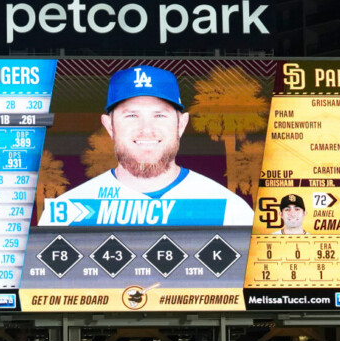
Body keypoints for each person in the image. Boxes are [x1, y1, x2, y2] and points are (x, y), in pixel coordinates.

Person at [49, 66, 253, 226]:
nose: (146, 129)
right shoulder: (66, 212)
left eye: (159, 115)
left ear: (181, 124)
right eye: (131, 115)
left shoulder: (229, 210)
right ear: (109, 126)